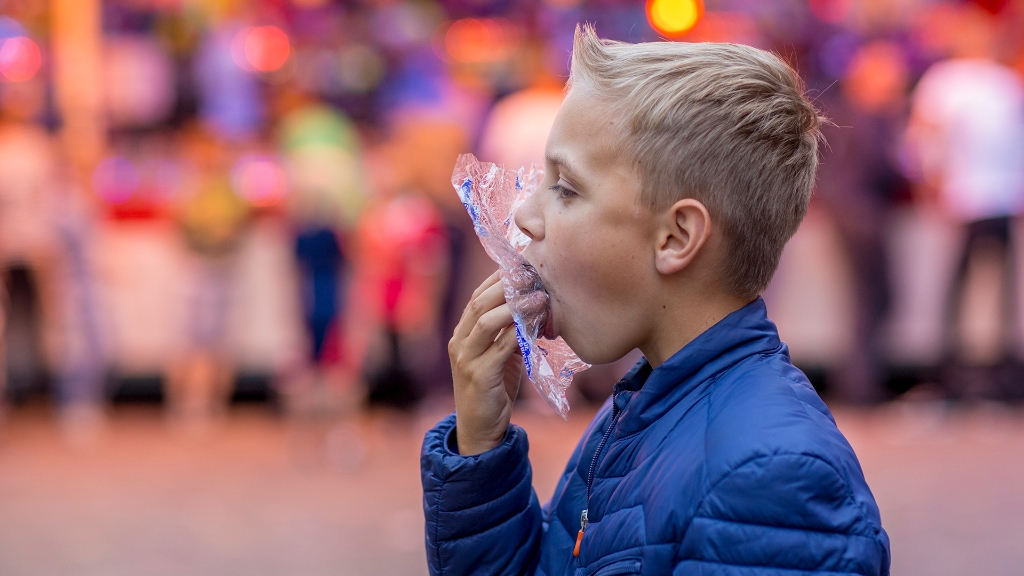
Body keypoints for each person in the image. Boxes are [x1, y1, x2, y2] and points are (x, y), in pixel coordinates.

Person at [421, 26, 890, 576]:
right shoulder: (644, 406)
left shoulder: (772, 477)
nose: (524, 216)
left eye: (566, 188)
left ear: (676, 237)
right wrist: (480, 447)